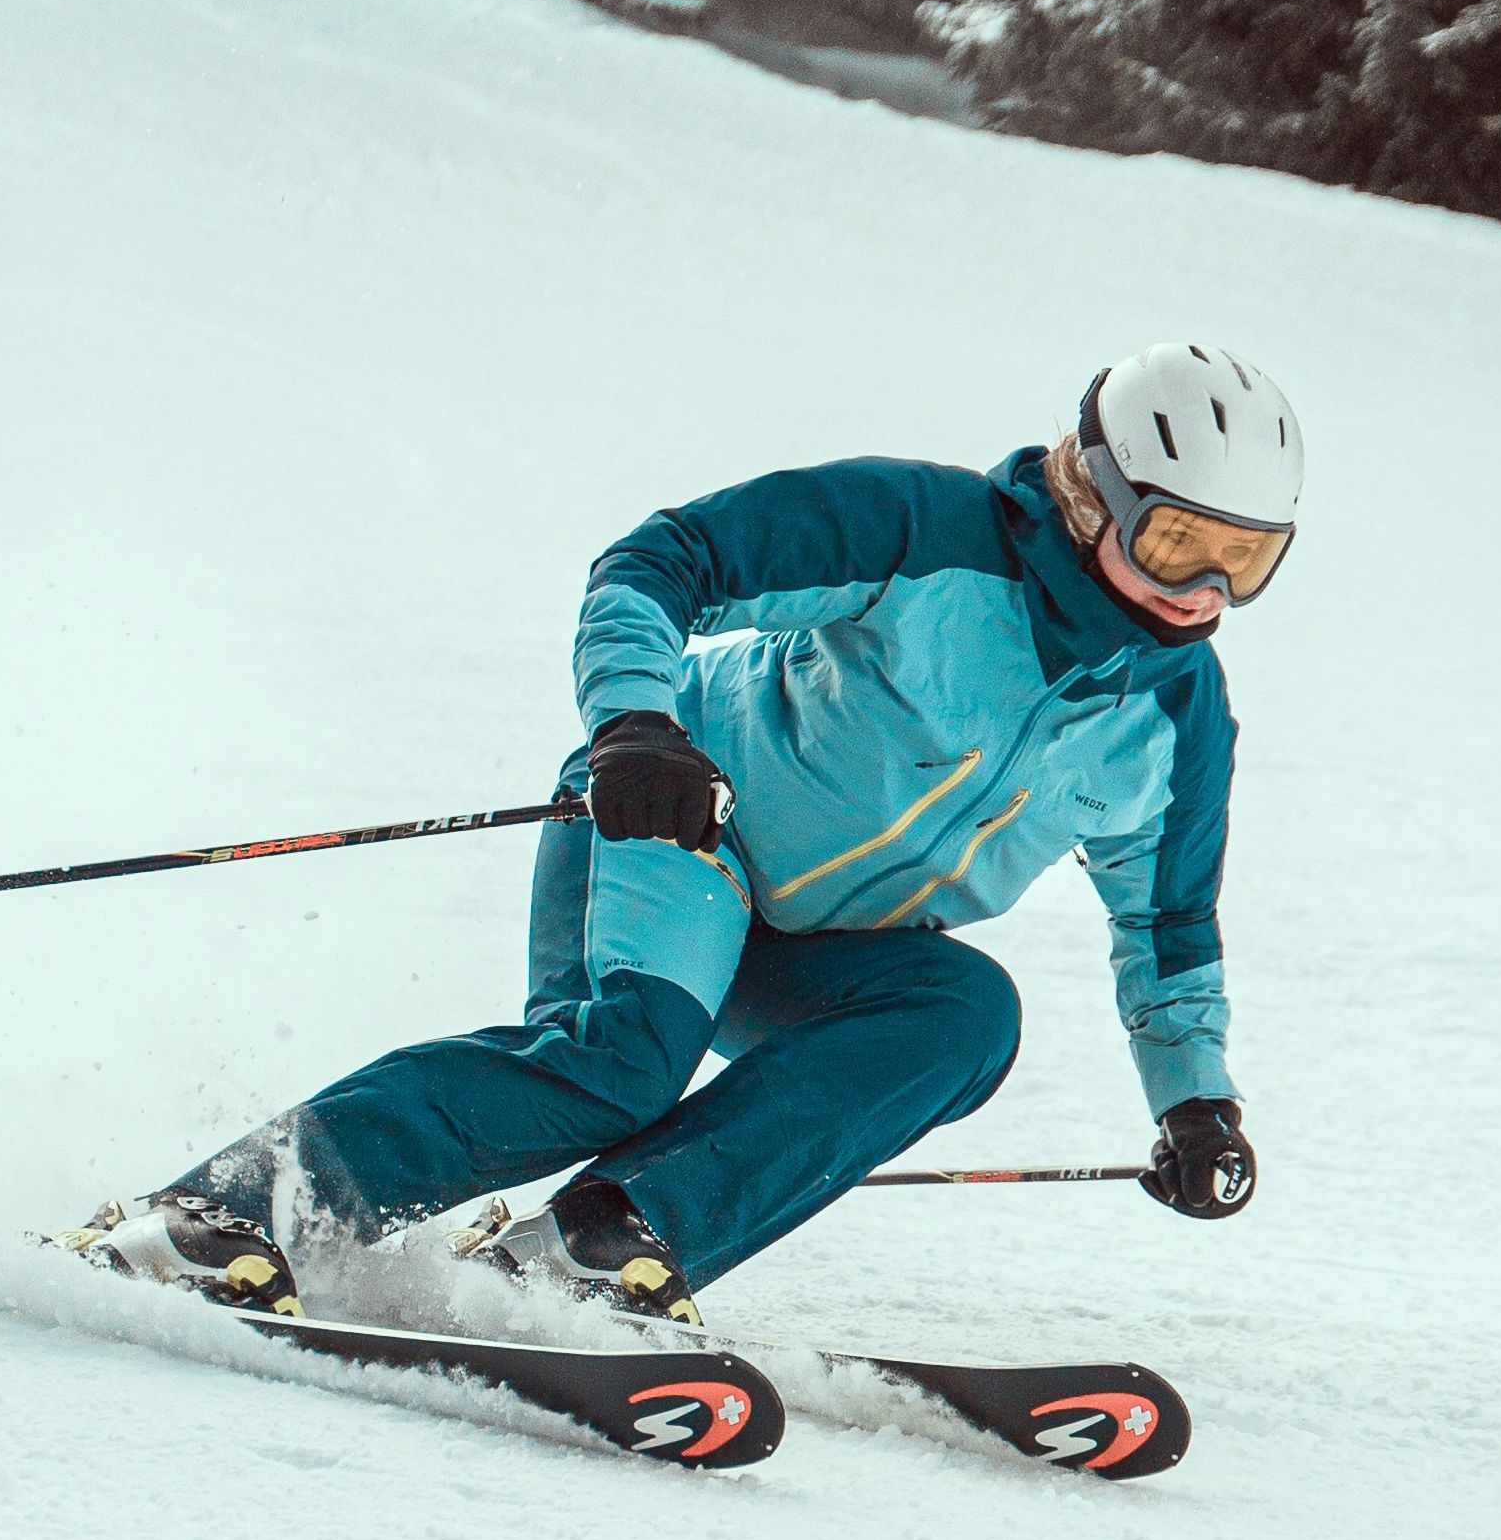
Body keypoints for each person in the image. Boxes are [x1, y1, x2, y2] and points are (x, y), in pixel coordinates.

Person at [68, 343, 1300, 1325]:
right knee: (619, 1062)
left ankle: (599, 1245)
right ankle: (217, 1213)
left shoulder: (1176, 721)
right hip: (678, 819)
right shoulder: (929, 533)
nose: (1206, 592)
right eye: (1179, 541)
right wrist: (636, 728)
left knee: (965, 1015)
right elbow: (666, 559)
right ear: (1095, 494)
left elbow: (1167, 928)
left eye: (1248, 562)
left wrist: (1195, 1104)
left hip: (830, 943)